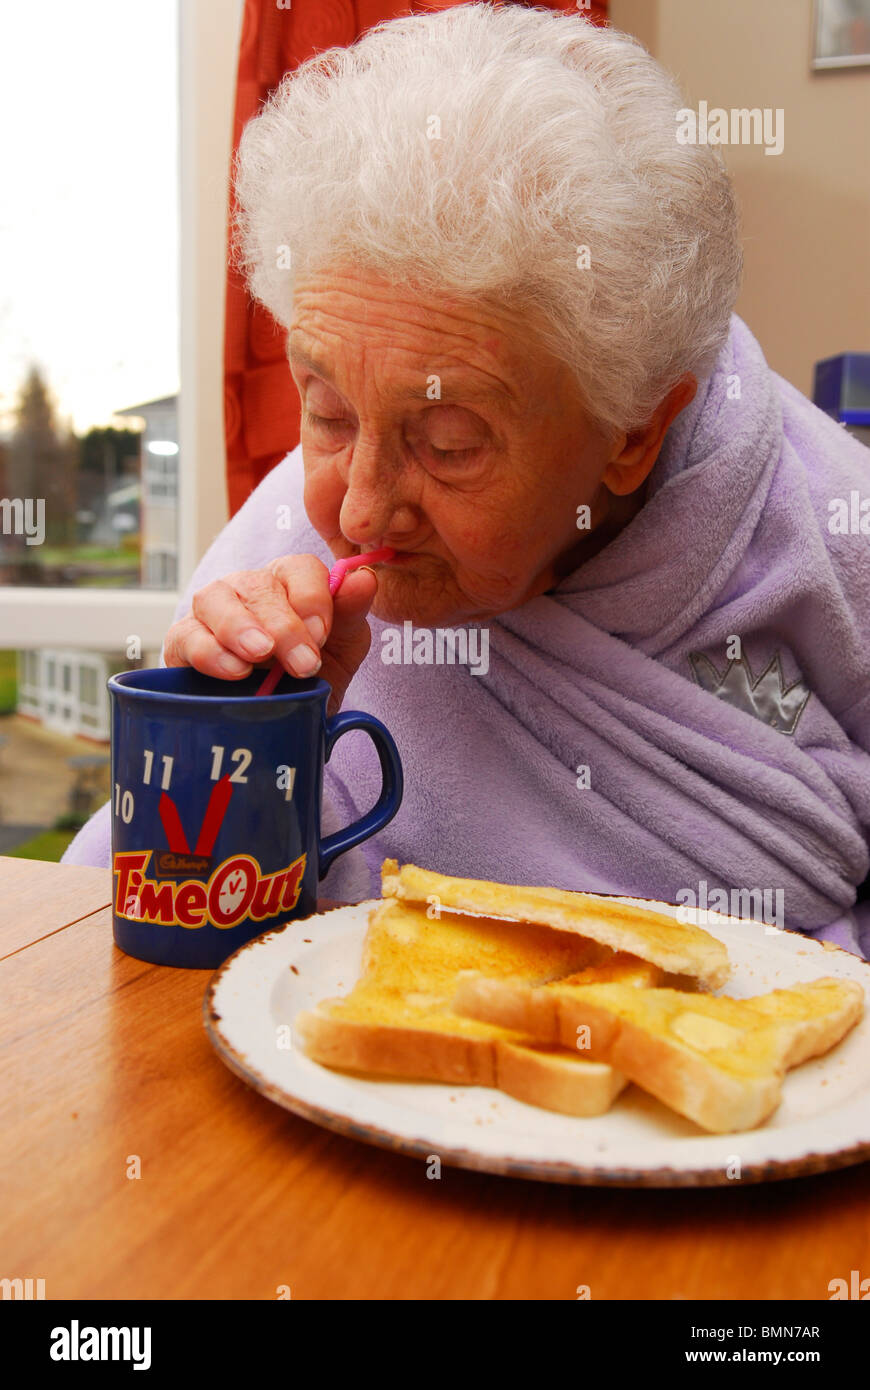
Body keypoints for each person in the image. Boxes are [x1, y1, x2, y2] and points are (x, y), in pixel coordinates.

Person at [63, 4, 870, 956]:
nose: (356, 508)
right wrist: (227, 735)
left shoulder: (830, 524)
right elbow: (134, 918)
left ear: (634, 433)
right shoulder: (285, 531)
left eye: (447, 442)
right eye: (324, 411)